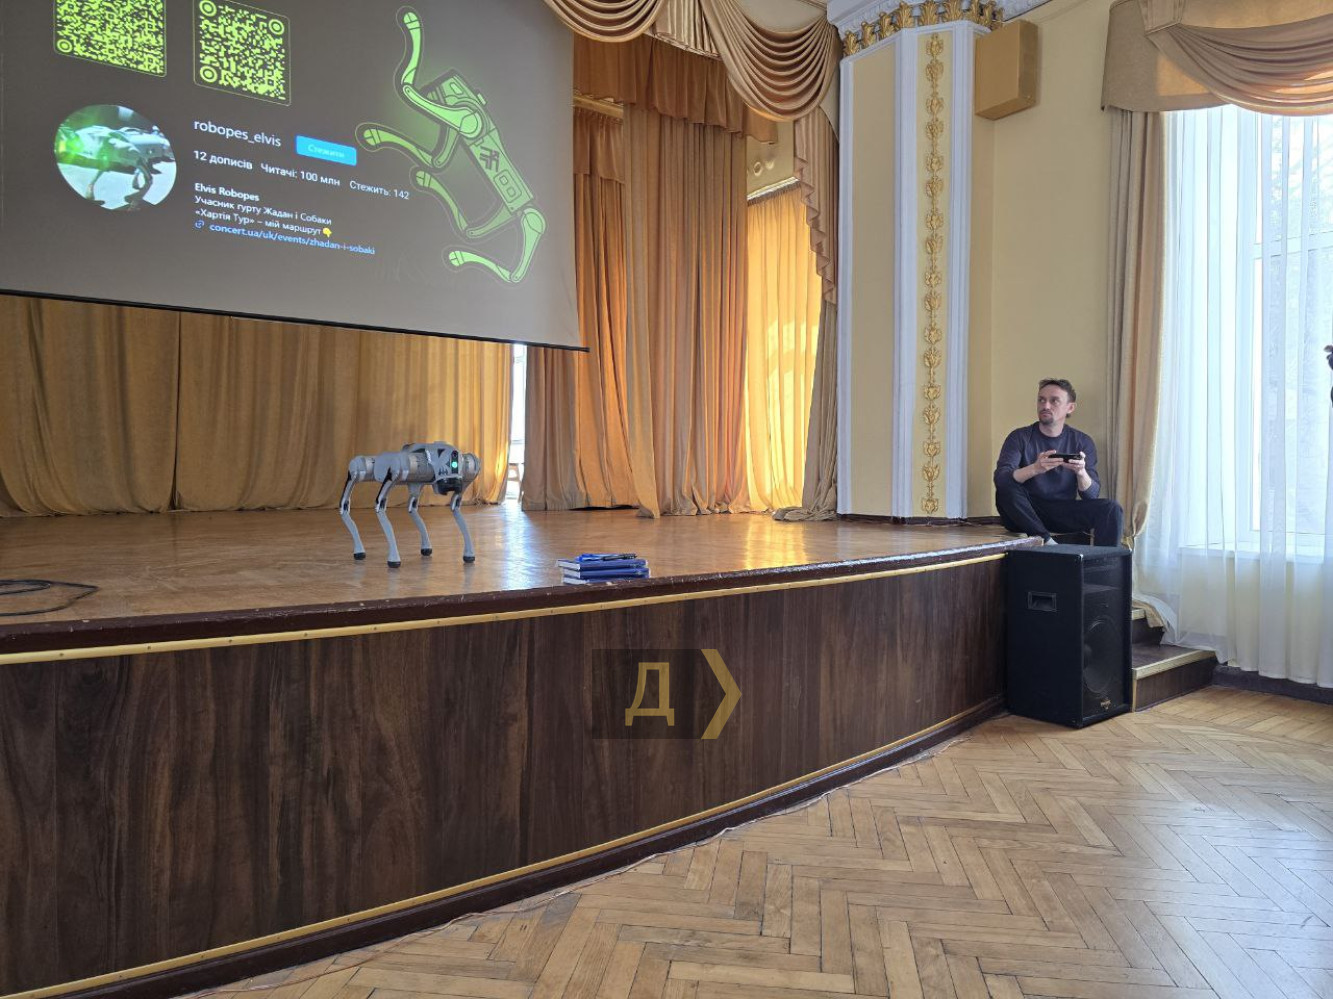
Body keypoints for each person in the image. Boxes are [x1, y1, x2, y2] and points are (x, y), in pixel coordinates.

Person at [994, 378, 1123, 546]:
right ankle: (1046, 541)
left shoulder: (1082, 441)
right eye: (1041, 400)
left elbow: (1091, 495)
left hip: (1063, 511)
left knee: (1111, 508)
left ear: (1070, 407)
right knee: (1005, 489)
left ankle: (1105, 561)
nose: (1046, 406)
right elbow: (1001, 479)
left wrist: (1081, 472)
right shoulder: (1019, 437)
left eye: (1054, 401)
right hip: (1024, 512)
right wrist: (1035, 468)